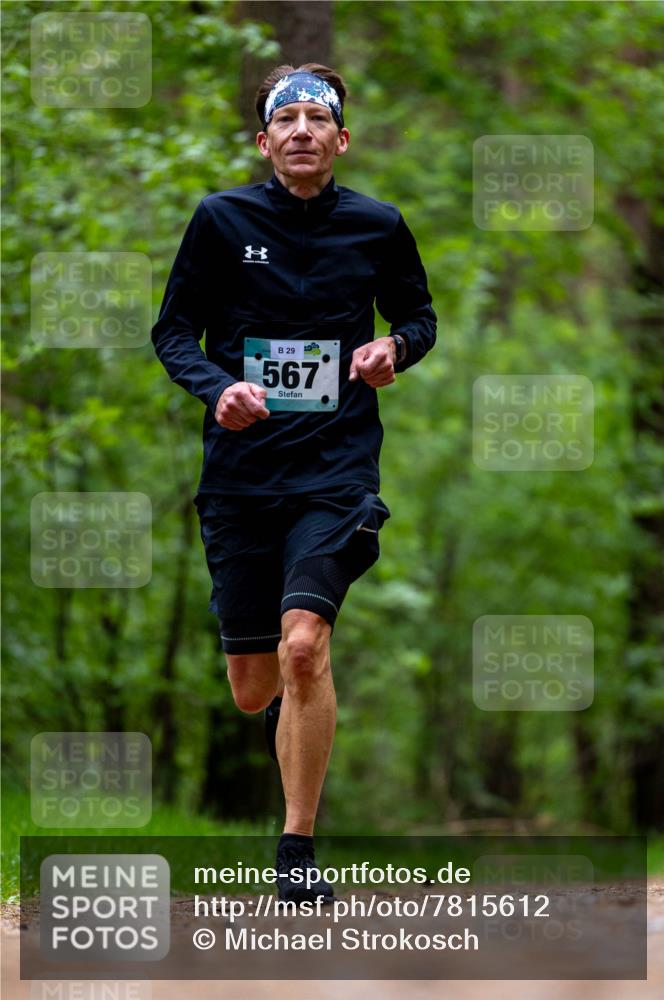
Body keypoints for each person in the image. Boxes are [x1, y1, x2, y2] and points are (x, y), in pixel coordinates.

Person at [151, 63, 436, 903]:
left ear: (341, 140)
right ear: (264, 139)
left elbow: (418, 315)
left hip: (336, 467)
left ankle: (296, 851)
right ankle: (286, 693)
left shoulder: (378, 225)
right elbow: (172, 333)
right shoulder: (219, 219)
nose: (304, 130)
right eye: (289, 118)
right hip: (242, 473)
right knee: (253, 689)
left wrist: (395, 349)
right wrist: (218, 389)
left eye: (320, 118)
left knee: (304, 645)